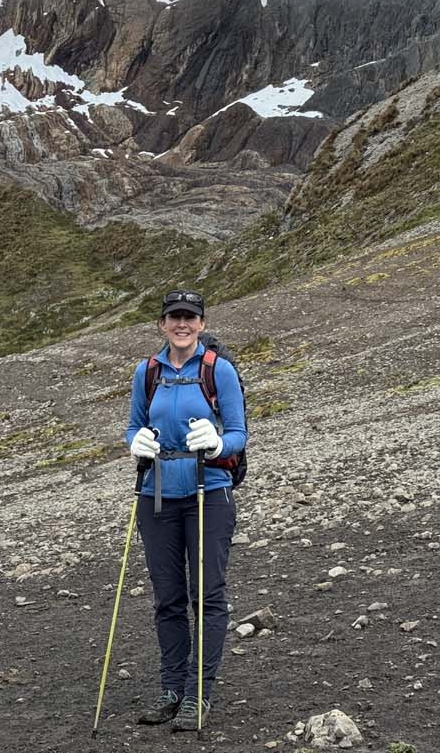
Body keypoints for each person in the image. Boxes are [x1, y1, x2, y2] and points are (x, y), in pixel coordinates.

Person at [126, 288, 248, 731]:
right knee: (168, 598)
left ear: (201, 323)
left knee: (207, 595)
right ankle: (172, 689)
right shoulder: (147, 372)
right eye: (174, 317)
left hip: (208, 492)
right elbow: (133, 426)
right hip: (156, 495)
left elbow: (238, 434)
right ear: (162, 324)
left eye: (190, 317)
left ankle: (199, 693)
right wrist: (135, 443)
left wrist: (216, 445)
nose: (182, 324)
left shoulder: (219, 371)